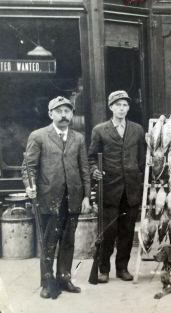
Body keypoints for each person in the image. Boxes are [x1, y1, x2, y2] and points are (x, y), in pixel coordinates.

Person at [22, 96, 92, 299]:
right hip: (48, 198)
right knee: (49, 242)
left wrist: (87, 196)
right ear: (50, 114)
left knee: (68, 241)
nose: (64, 115)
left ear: (72, 114)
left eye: (67, 111)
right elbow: (28, 168)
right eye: (59, 111)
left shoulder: (78, 138)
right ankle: (47, 282)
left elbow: (84, 169)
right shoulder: (38, 136)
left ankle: (64, 278)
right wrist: (30, 186)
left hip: (73, 198)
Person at [88, 90, 145, 283]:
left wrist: (137, 177)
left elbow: (142, 159)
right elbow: (91, 158)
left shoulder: (137, 129)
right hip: (109, 188)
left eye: (125, 105)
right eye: (118, 105)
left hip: (131, 189)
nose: (122, 109)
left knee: (127, 231)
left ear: (129, 108)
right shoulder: (99, 130)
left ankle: (122, 268)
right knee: (108, 232)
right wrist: (94, 170)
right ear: (110, 107)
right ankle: (104, 269)